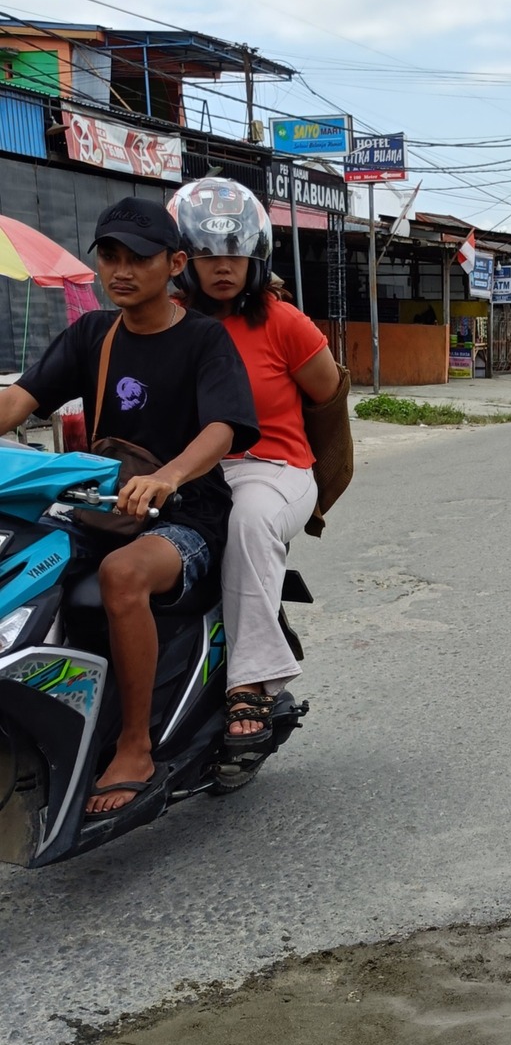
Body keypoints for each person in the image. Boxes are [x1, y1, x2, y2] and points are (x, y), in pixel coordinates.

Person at [0, 197, 258, 815]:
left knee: (121, 576)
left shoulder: (204, 339)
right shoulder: (93, 332)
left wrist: (169, 477)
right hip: (101, 504)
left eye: (137, 259)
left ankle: (136, 745)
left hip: (187, 515)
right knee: (24, 553)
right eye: (110, 257)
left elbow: (224, 426)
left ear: (173, 264)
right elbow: (20, 401)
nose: (120, 271)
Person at [169, 177, 342, 747]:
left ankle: (253, 682)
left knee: (248, 519)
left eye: (235, 254)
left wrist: (324, 481)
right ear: (182, 260)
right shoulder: (168, 322)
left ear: (255, 257)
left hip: (275, 469)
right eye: (208, 254)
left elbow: (328, 397)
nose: (223, 267)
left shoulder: (282, 321)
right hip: (192, 470)